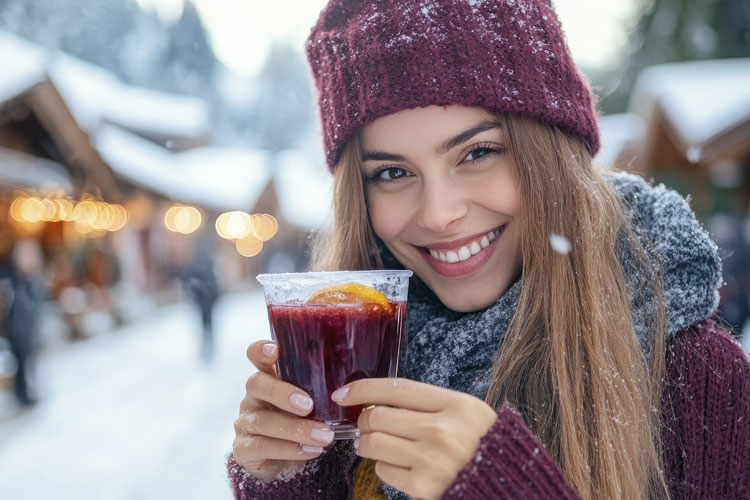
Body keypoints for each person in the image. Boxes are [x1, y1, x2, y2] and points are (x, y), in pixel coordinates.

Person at [227, 1, 750, 499]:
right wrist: (288, 482)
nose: (438, 212)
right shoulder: (348, 374)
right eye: (391, 172)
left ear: (551, 157)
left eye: (478, 152)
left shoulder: (700, 377)